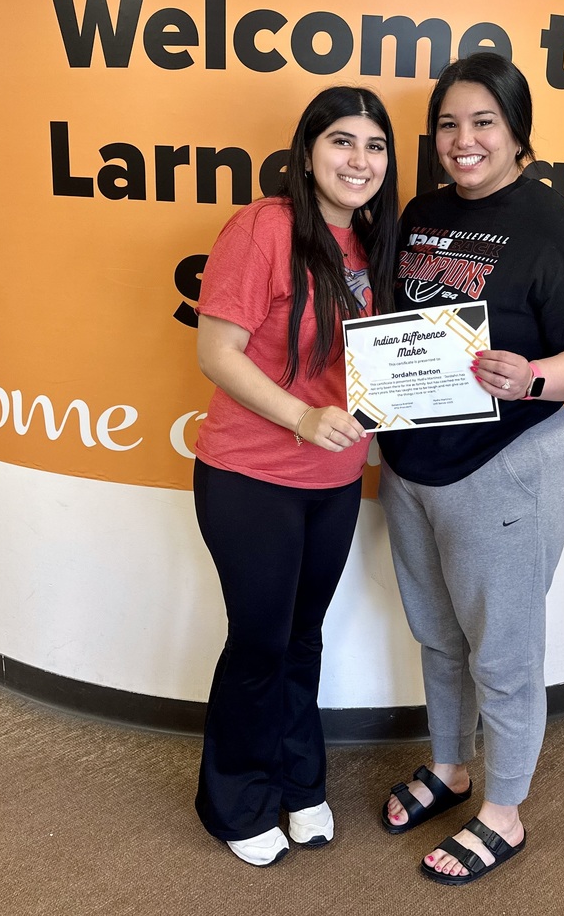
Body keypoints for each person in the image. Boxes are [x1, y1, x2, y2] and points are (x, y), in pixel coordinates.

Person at [378, 52, 564, 886]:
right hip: (411, 464)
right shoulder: (421, 212)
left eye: (483, 121)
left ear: (517, 131)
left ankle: (503, 812)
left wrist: (534, 377)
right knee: (437, 635)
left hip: (503, 469)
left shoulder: (556, 226)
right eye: (448, 124)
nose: (463, 139)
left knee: (503, 655)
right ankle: (451, 768)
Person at [192, 86, 398, 867]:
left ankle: (297, 780)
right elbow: (216, 352)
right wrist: (301, 418)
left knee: (301, 638)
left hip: (334, 481)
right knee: (258, 642)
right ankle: (234, 800)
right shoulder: (264, 227)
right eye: (341, 140)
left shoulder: (372, 243)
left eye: (374, 145)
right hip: (251, 476)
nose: (359, 160)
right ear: (307, 151)